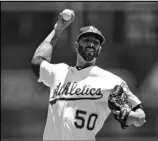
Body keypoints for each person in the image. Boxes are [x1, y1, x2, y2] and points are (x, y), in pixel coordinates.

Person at [31, 10, 146, 140]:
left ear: (99, 49)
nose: (91, 44)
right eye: (86, 40)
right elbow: (37, 61)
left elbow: (140, 116)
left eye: (96, 42)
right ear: (76, 46)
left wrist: (127, 114)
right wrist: (57, 30)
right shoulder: (59, 72)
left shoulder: (111, 82)